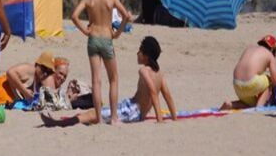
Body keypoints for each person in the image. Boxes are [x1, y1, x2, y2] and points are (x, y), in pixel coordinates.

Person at [42, 37, 177, 126]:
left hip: (132, 110)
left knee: (94, 113)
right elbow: (167, 96)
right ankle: (62, 121)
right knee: (95, 112)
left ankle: (56, 123)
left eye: (140, 51)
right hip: (133, 109)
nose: (137, 53)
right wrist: (174, 117)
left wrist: (160, 120)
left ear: (146, 56)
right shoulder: (159, 73)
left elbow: (153, 92)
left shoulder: (144, 71)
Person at [70, 0, 132, 125]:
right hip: (106, 38)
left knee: (96, 81)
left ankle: (98, 118)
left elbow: (74, 16)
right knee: (113, 79)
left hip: (93, 40)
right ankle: (113, 118)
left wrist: (84, 30)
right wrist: (117, 33)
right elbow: (126, 16)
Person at [220, 36, 276, 109]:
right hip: (250, 83)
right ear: (273, 49)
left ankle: (230, 104)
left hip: (237, 84)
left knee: (250, 105)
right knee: (270, 81)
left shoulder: (249, 49)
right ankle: (259, 107)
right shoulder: (269, 54)